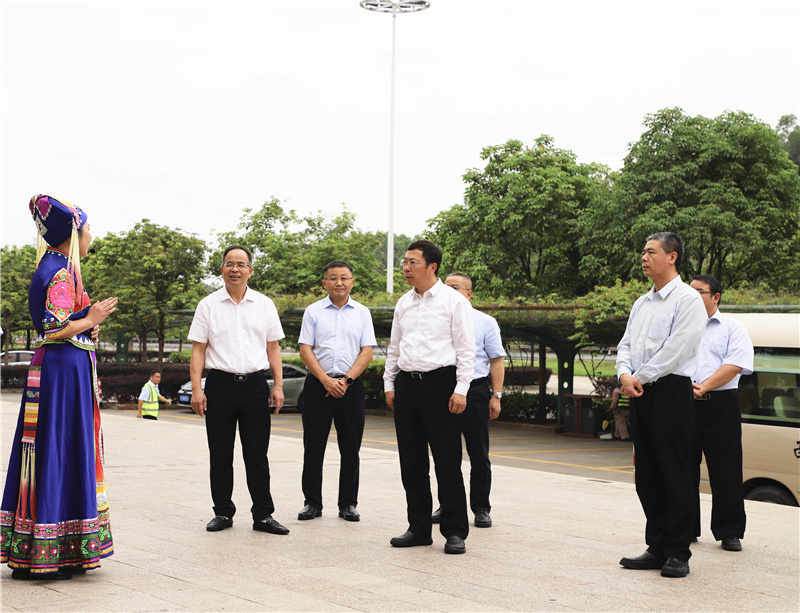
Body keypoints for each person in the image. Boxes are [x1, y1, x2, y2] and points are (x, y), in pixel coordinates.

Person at [1, 195, 118, 580]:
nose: (90, 237)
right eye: (87, 230)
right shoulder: (62, 273)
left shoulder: (50, 266)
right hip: (63, 372)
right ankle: (55, 549)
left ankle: (48, 545)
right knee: (60, 447)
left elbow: (63, 320)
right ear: (74, 234)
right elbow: (54, 328)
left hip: (58, 368)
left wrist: (86, 322)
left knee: (52, 447)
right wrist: (91, 318)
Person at [615, 232, 707, 578]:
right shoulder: (641, 303)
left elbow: (677, 350)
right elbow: (625, 344)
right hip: (640, 391)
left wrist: (638, 376)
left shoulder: (687, 299)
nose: (643, 257)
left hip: (670, 390)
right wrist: (624, 374)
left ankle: (678, 552)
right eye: (643, 251)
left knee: (675, 472)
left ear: (672, 257)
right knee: (647, 473)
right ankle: (656, 546)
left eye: (651, 251)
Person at [188, 245, 289, 536]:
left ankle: (263, 515)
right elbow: (198, 349)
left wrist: (278, 385)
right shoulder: (208, 305)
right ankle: (222, 512)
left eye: (241, 264)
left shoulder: (264, 304)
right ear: (222, 269)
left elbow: (273, 348)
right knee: (220, 453)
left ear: (250, 271)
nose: (235, 269)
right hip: (219, 386)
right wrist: (197, 389)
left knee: (257, 455)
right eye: (230, 264)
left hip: (255, 386)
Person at [384, 240, 476, 555]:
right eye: (404, 262)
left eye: (413, 262)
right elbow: (394, 347)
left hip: (441, 385)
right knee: (411, 462)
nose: (406, 268)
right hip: (407, 385)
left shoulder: (454, 301)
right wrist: (389, 383)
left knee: (447, 462)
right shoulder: (403, 303)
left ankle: (455, 531)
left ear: (432, 266)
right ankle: (419, 528)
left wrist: (461, 389)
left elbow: (466, 350)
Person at [296, 260, 377, 522]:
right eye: (333, 278)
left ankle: (348, 504)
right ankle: (312, 502)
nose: (338, 283)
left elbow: (367, 352)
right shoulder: (313, 311)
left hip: (350, 387)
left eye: (344, 278)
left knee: (351, 448)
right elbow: (305, 350)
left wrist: (347, 380)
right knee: (313, 447)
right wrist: (326, 380)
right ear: (325, 283)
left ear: (352, 282)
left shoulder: (362, 312)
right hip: (318, 386)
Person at [431, 273, 505, 529]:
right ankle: (447, 505)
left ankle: (481, 508)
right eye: (446, 287)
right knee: (444, 454)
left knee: (479, 454)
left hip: (475, 392)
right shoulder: (437, 318)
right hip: (443, 390)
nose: (449, 292)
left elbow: (496, 360)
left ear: (469, 294)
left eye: (455, 287)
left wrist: (496, 396)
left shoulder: (485, 322)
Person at [689, 274, 753, 552]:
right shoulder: (680, 327)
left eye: (698, 292)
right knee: (682, 468)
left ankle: (729, 531)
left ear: (715, 297)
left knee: (726, 468)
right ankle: (685, 527)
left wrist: (703, 387)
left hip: (721, 404)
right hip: (684, 403)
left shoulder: (732, 328)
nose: (691, 297)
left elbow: (735, 364)